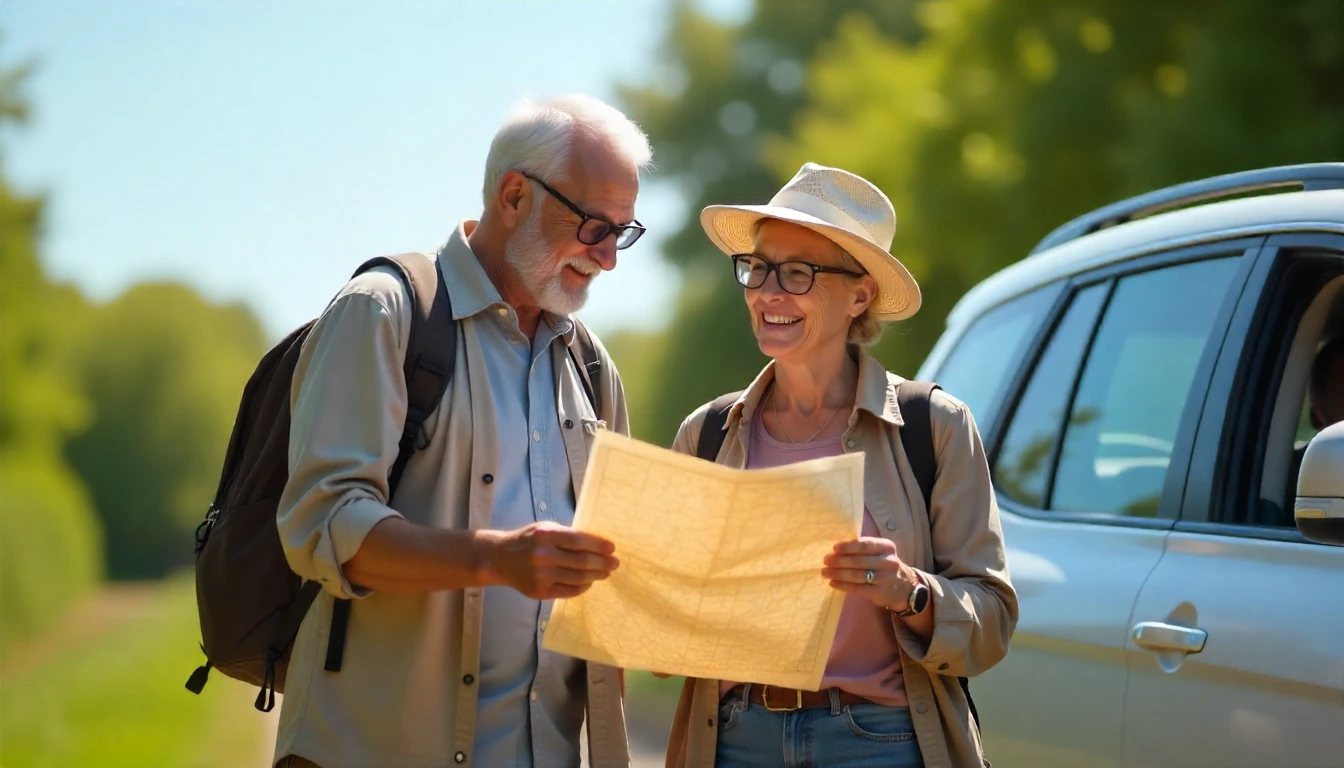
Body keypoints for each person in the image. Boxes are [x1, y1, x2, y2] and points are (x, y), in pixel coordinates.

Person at [272, 95, 651, 768]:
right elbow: (325, 524)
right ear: (514, 196)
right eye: (595, 227)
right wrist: (494, 560)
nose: (608, 259)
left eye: (622, 233)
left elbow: (608, 583)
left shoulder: (593, 368)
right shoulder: (385, 312)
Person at [663, 163, 1018, 768]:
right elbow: (666, 626)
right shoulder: (708, 433)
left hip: (879, 742)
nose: (768, 291)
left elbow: (992, 621)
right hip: (733, 741)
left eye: (798, 273)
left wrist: (908, 591)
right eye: (758, 267)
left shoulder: (933, 426)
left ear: (860, 294)